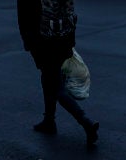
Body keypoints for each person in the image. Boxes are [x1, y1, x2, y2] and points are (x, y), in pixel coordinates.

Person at [17, 0, 99, 146]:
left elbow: (24, 18)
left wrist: (28, 42)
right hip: (63, 38)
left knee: (56, 87)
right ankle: (49, 120)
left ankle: (86, 122)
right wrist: (70, 42)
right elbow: (70, 12)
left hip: (43, 42)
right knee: (49, 78)